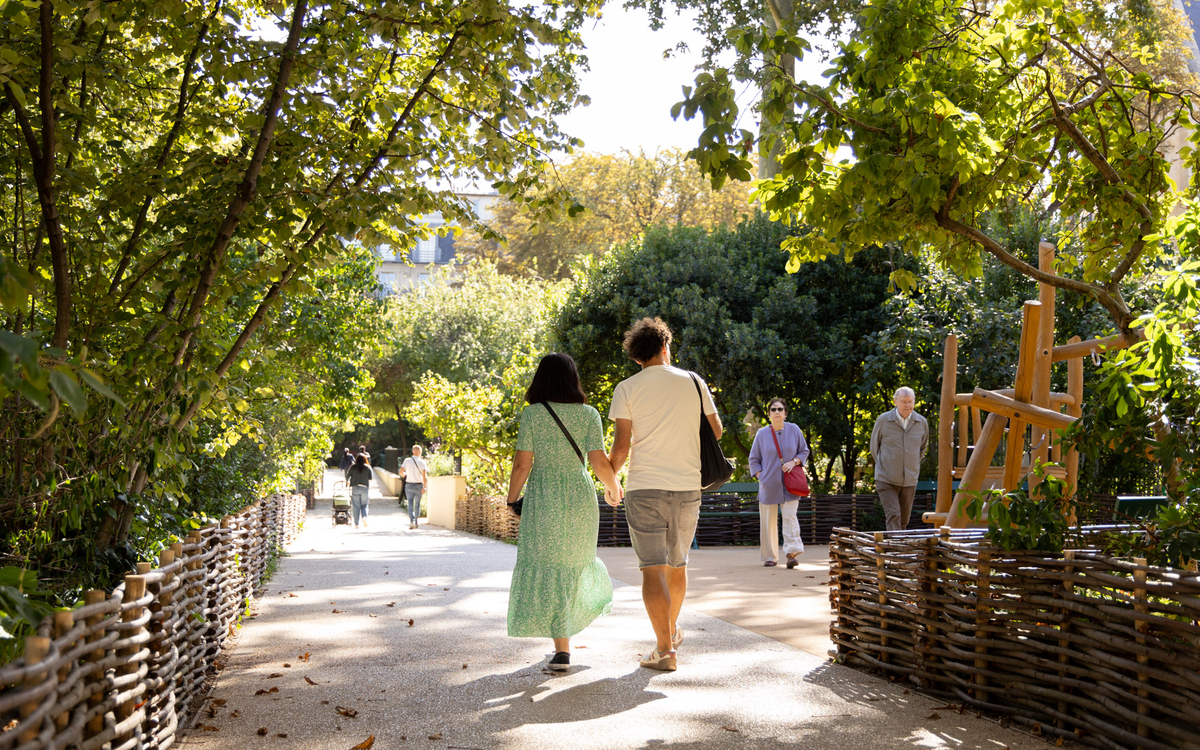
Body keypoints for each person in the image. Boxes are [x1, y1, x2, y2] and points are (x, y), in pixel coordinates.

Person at [608, 317, 722, 672]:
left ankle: (665, 650)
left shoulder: (627, 388)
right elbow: (716, 431)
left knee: (651, 569)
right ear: (665, 347)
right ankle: (670, 634)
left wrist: (611, 480)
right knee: (678, 564)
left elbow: (622, 447)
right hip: (688, 487)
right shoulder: (693, 381)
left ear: (637, 357)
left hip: (644, 488)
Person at [505, 353, 623, 672]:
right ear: (573, 379)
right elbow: (599, 462)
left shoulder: (532, 415)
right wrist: (614, 487)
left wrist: (512, 498)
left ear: (540, 379)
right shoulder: (588, 415)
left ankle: (562, 649)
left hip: (544, 496)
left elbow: (522, 464)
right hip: (580, 495)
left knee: (548, 563)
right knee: (573, 563)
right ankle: (564, 642)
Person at [748, 398, 810, 569]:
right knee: (768, 522)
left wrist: (794, 462)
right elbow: (753, 459)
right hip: (769, 485)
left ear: (785, 413)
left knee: (789, 517)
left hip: (790, 485)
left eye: (780, 409)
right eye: (773, 409)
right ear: (769, 414)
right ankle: (770, 556)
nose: (776, 412)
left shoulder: (794, 429)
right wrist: (762, 476)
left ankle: (791, 554)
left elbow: (804, 450)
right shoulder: (761, 434)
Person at [869, 386, 930, 531]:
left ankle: (898, 544)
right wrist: (886, 465)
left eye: (910, 401)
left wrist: (911, 465)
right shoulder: (883, 420)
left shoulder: (921, 422)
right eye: (904, 402)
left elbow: (922, 448)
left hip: (909, 479)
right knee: (894, 514)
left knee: (904, 518)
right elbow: (874, 447)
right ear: (895, 401)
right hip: (886, 478)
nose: (908, 405)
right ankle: (895, 548)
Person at [400, 445, 428, 530]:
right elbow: (424, 476)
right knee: (417, 504)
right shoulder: (422, 462)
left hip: (409, 485)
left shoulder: (407, 460)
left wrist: (405, 475)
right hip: (418, 485)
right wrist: (424, 486)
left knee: (410, 504)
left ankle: (411, 521)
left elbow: (401, 472)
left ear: (413, 451)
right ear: (420, 452)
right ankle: (416, 521)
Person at [344, 453, 373, 529]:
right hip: (364, 488)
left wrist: (348, 482)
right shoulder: (368, 467)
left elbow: (347, 476)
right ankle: (364, 517)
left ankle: (356, 524)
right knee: (364, 505)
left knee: (356, 506)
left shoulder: (353, 467)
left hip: (355, 488)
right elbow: (370, 478)